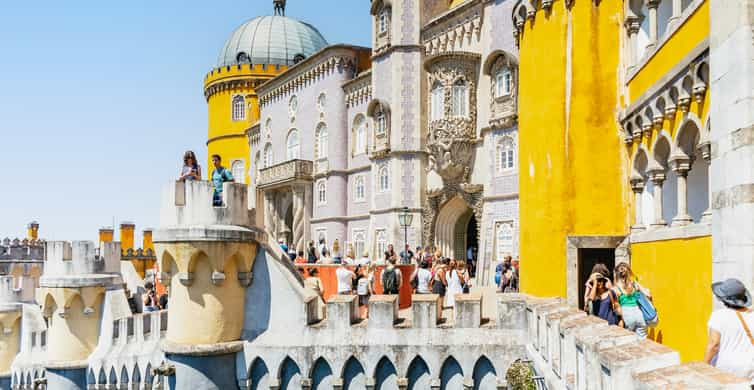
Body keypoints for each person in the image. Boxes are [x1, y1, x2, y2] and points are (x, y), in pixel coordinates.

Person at [704, 278, 754, 384]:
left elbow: (714, 345)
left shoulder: (718, 316)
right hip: (749, 369)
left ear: (723, 299)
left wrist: (704, 366)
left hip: (726, 368)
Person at [612, 262, 651, 338]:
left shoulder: (615, 288)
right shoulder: (634, 284)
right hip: (639, 314)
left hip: (627, 315)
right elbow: (648, 294)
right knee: (642, 341)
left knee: (629, 341)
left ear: (616, 274)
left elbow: (616, 308)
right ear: (629, 272)